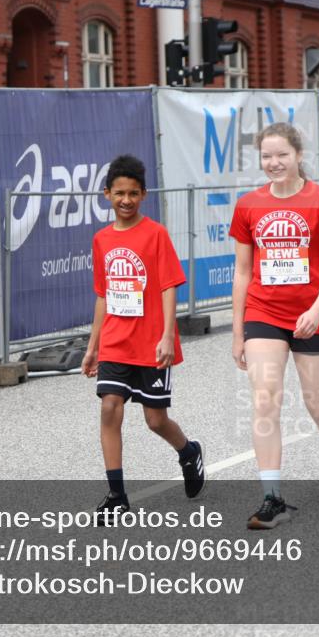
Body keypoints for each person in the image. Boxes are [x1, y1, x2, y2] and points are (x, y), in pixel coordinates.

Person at [229, 122, 319, 530]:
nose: (274, 163)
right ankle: (271, 498)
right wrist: (238, 331)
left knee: (318, 405)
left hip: (315, 313)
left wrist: (316, 310)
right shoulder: (249, 205)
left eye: (282, 154)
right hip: (265, 312)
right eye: (266, 156)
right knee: (265, 399)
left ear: (299, 155)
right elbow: (243, 272)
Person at [82, 154, 205, 522]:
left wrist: (168, 336)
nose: (126, 200)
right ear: (107, 194)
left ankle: (188, 451)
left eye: (133, 193)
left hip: (151, 343)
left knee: (155, 420)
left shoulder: (155, 234)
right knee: (109, 408)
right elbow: (103, 294)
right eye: (119, 193)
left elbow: (169, 286)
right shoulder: (102, 240)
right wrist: (93, 347)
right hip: (116, 341)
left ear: (143, 195)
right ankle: (117, 495)